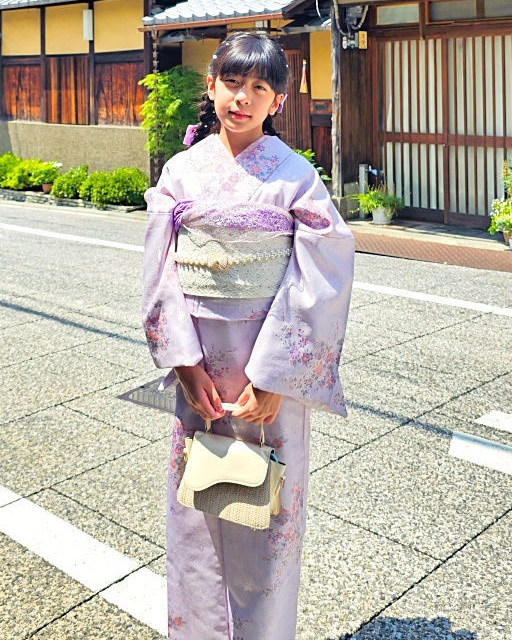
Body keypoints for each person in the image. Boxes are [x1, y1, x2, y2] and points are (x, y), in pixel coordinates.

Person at [142, 33, 355, 639]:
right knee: (197, 513)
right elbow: (160, 271)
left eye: (260, 87)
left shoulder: (294, 175)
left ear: (278, 102)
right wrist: (183, 363)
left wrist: (276, 377)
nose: (243, 97)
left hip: (267, 371)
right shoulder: (181, 170)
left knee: (269, 512)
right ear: (211, 87)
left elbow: (324, 267)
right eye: (233, 82)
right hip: (201, 368)